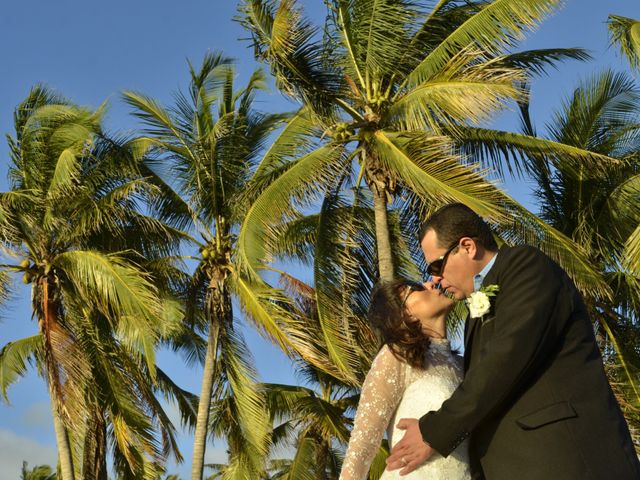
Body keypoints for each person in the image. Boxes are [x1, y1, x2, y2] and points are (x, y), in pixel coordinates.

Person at [386, 203, 640, 480]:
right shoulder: (474, 312)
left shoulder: (526, 266)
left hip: (564, 461)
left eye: (437, 264)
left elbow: (505, 358)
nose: (435, 278)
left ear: (468, 246)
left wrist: (434, 431)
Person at [339, 278, 472, 479]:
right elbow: (363, 442)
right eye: (416, 289)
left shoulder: (464, 365)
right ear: (405, 314)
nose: (430, 284)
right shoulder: (396, 355)